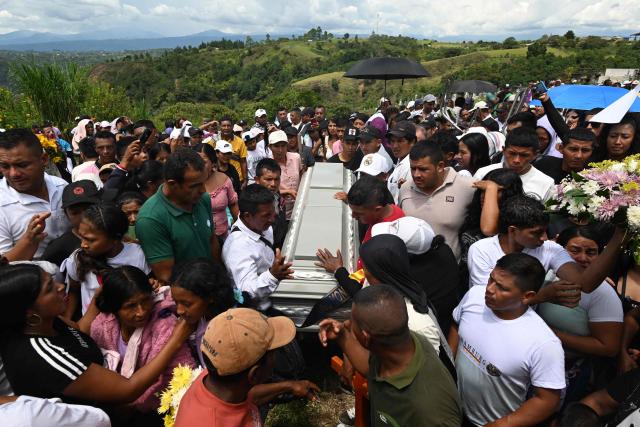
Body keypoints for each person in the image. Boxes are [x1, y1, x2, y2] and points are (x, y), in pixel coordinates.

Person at [0, 263, 193, 410]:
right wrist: (175, 340)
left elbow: (80, 331)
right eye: (49, 288)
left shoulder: (47, 321)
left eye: (53, 281)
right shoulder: (46, 356)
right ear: (29, 312)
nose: (60, 287)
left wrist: (119, 289)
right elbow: (127, 390)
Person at [319, 285, 462, 427]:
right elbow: (371, 368)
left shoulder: (429, 413)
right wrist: (342, 336)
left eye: (352, 322)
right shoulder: (400, 343)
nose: (347, 323)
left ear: (366, 337)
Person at [448, 253, 566, 426]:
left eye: (501, 288)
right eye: (491, 279)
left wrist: (504, 424)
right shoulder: (474, 296)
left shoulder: (544, 344)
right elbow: (456, 325)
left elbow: (547, 400)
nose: (489, 289)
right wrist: (448, 367)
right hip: (452, 409)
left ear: (527, 296)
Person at [174, 307, 319, 427]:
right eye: (273, 353)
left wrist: (290, 386)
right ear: (254, 374)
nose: (275, 358)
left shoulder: (216, 377)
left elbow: (249, 397)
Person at [467, 195, 627, 296]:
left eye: (545, 231)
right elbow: (491, 299)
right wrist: (543, 296)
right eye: (536, 233)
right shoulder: (482, 250)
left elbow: (584, 283)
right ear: (513, 231)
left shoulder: (550, 249)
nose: (544, 238)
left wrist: (619, 236)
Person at [90, 266, 195, 416]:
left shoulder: (165, 325)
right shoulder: (101, 327)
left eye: (146, 300)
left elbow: (182, 373)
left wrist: (132, 404)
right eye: (130, 306)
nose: (141, 311)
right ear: (114, 308)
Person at [537, 226, 623, 404]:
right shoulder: (545, 274)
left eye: (591, 252)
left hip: (567, 370)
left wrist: (552, 334)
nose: (582, 258)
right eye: (574, 250)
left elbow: (609, 347)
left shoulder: (602, 293)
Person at [136, 148, 221, 283]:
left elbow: (212, 241)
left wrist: (218, 279)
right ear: (172, 184)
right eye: (195, 185)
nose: (203, 190)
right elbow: (167, 275)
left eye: (203, 183)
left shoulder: (202, 199)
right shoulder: (150, 219)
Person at [62, 203, 150, 316]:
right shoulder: (77, 259)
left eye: (91, 240)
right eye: (81, 237)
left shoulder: (138, 255)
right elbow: (73, 291)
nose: (83, 244)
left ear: (115, 239)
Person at [0, 128, 70, 261]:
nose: (14, 173)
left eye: (22, 165)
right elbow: (3, 270)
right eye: (5, 166)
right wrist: (28, 241)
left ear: (44, 159)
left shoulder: (61, 187)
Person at [398, 142, 475, 261]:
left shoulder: (468, 187)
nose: (416, 174)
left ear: (440, 166)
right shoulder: (405, 188)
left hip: (449, 272)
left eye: (423, 169)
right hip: (410, 270)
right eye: (413, 168)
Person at [222, 184, 294, 311]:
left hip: (272, 298)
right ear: (247, 216)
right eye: (266, 215)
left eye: (273, 212)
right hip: (257, 311)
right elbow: (247, 291)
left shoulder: (263, 226)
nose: (272, 219)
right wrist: (272, 275)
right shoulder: (238, 247)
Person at [169, 258, 236, 367]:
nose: (179, 310)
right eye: (175, 302)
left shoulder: (224, 333)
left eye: (186, 304)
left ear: (210, 297)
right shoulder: (202, 314)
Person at [474, 127, 555, 202]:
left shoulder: (546, 184)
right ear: (503, 150)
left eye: (524, 155)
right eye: (512, 153)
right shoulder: (483, 173)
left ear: (535, 155)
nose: (516, 160)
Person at [42, 180, 101, 267]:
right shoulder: (58, 248)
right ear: (66, 214)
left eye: (89, 209)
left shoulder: (114, 234)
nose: (84, 216)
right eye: (75, 213)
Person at [194, 143, 239, 239]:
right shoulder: (189, 183)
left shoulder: (224, 179)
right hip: (198, 238)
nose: (198, 166)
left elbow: (233, 205)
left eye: (203, 162)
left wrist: (238, 230)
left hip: (223, 235)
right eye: (195, 162)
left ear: (212, 162)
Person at [347, 174, 404, 246]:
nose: (353, 216)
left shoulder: (383, 239)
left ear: (377, 210)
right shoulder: (391, 209)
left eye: (359, 213)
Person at [267, 130, 302, 221]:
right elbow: (265, 190)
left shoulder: (296, 158)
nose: (280, 150)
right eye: (276, 146)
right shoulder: (267, 165)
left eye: (283, 146)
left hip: (298, 208)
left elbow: (302, 177)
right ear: (270, 147)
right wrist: (286, 191)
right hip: (278, 212)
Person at [254, 158, 288, 250]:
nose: (273, 184)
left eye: (277, 179)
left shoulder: (277, 196)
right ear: (257, 180)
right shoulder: (252, 204)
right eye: (268, 179)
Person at [387, 121, 417, 203]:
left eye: (400, 141)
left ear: (412, 142)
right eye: (392, 141)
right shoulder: (401, 160)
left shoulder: (410, 166)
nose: (395, 146)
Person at [219, 117, 248, 186]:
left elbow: (243, 161)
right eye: (224, 126)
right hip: (220, 179)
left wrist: (245, 180)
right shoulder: (214, 141)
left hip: (237, 178)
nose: (226, 128)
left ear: (232, 127)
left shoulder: (240, 142)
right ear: (220, 127)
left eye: (228, 126)